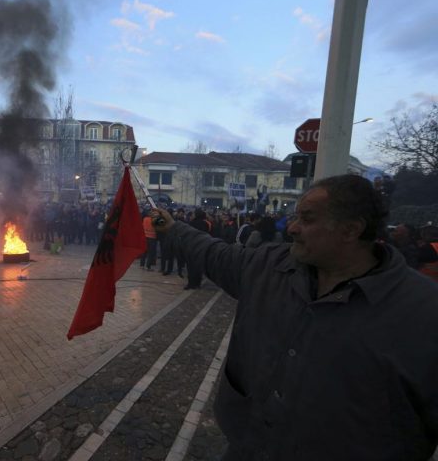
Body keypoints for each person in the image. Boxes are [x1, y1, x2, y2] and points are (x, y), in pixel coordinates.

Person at [152, 174, 438, 461]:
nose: (292, 228)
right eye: (295, 216)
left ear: (351, 230)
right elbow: (214, 253)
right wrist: (174, 228)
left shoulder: (422, 313)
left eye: (308, 219)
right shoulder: (268, 265)